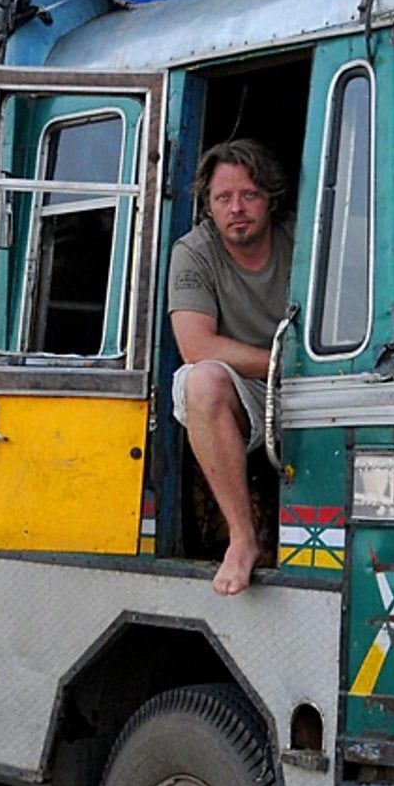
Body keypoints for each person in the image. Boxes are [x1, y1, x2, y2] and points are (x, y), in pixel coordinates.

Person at [168, 140, 292, 596]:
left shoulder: (306, 236)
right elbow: (195, 344)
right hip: (258, 384)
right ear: (208, 205)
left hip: (318, 384)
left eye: (249, 195)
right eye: (223, 198)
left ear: (271, 199)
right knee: (201, 381)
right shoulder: (194, 251)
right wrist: (281, 365)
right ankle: (242, 539)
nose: (236, 208)